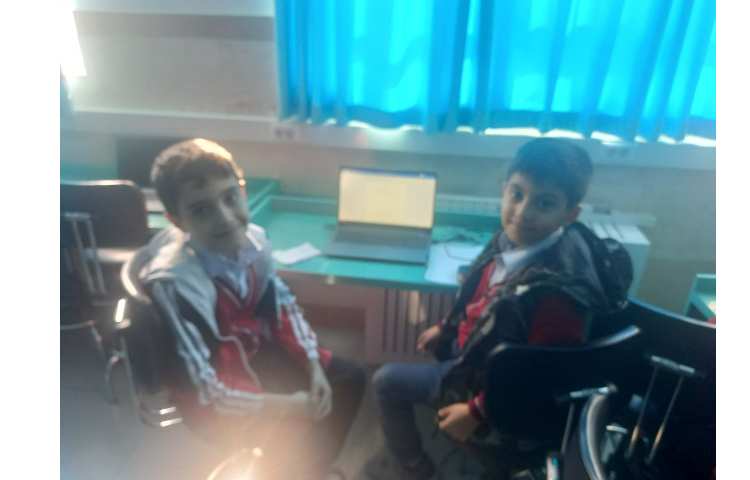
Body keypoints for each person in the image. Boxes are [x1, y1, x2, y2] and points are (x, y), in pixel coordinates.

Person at [361, 138, 632, 480]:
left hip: (493, 386)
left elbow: (539, 375)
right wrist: (447, 327)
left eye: (544, 203)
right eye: (517, 194)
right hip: (480, 352)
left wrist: (477, 412)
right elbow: (481, 298)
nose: (523, 212)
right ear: (504, 190)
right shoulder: (512, 241)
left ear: (570, 214)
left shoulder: (556, 298)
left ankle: (414, 466)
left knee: (385, 381)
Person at [139, 138, 365, 480]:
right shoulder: (177, 285)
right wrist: (290, 406)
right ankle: (289, 468)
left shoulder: (254, 240)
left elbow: (283, 303)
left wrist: (314, 366)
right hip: (213, 389)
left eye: (230, 198)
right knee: (293, 425)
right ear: (177, 221)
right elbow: (208, 390)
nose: (225, 219)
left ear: (243, 192)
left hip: (251, 350)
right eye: (201, 210)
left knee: (348, 378)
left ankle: (309, 469)